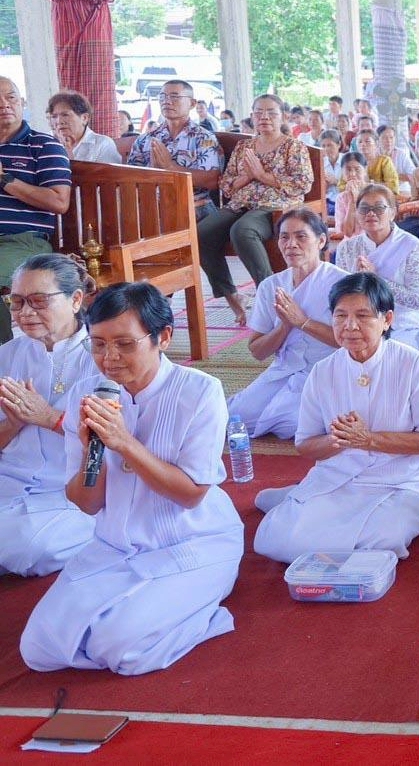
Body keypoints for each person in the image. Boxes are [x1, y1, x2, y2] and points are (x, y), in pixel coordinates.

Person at [20, 283, 243, 675]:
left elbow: (190, 495)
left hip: (188, 540)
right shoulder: (86, 394)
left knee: (120, 650)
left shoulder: (200, 392)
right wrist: (96, 454)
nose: (109, 359)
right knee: (40, 650)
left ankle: (207, 617)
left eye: (125, 344)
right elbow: (87, 503)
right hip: (113, 545)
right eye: (99, 344)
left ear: (163, 338)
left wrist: (124, 442)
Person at [253, 273, 419, 562]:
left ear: (387, 320)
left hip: (400, 483)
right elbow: (305, 445)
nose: (350, 326)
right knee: (276, 540)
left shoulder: (412, 363)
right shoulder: (322, 371)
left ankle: (295, 499)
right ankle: (297, 498)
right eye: (340, 316)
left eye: (363, 315)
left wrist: (368, 439)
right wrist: (339, 441)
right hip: (338, 478)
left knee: (384, 540)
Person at [0, 255, 98, 576]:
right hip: (8, 482)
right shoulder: (8, 355)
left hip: (71, 492)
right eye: (16, 302)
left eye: (38, 301)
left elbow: (115, 447)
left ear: (75, 300)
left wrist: (48, 417)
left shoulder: (103, 358)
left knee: (29, 545)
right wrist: (13, 423)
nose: (25, 313)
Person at [227, 209, 346, 439]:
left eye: (301, 237)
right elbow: (257, 351)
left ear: (321, 241)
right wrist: (284, 327)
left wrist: (303, 322)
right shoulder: (271, 286)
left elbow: (353, 343)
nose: (291, 244)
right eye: (284, 237)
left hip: (327, 372)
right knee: (236, 417)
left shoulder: (342, 283)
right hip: (283, 370)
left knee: (291, 424)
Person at [197, 94, 313, 324]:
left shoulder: (294, 146)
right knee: (201, 233)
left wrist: (262, 176)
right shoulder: (244, 146)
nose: (264, 117)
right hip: (239, 204)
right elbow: (226, 186)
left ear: (283, 117)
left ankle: (272, 297)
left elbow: (302, 184)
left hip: (273, 208)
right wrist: (247, 176)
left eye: (271, 112)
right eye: (259, 112)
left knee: (242, 230)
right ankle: (232, 294)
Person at [0, 78, 72, 343]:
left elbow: (58, 202)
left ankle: (6, 366)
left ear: (23, 103)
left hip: (23, 240)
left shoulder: (43, 145)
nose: (4, 105)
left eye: (10, 97)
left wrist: (5, 180)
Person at [334, 184, 419, 348]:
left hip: (403, 327)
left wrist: (376, 280)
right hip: (359, 325)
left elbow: (417, 300)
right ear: (357, 214)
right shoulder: (347, 248)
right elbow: (340, 297)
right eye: (364, 208)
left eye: (379, 208)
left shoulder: (412, 246)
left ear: (393, 212)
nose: (371, 213)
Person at [47, 91, 121, 164]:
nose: (59, 121)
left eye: (65, 115)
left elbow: (110, 175)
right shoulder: (46, 141)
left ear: (84, 118)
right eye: (54, 116)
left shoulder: (102, 144)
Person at [355, 128, 400, 194]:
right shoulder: (353, 162)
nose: (363, 144)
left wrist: (369, 185)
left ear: (376, 144)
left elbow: (393, 187)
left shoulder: (384, 161)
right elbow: (341, 186)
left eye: (367, 141)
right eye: (360, 142)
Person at [318, 129, 346, 216]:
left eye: (330, 145)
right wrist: (324, 185)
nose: (326, 149)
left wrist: (336, 182)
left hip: (345, 201)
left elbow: (356, 186)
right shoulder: (320, 163)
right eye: (323, 146)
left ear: (339, 144)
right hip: (326, 202)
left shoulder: (347, 160)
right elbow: (319, 191)